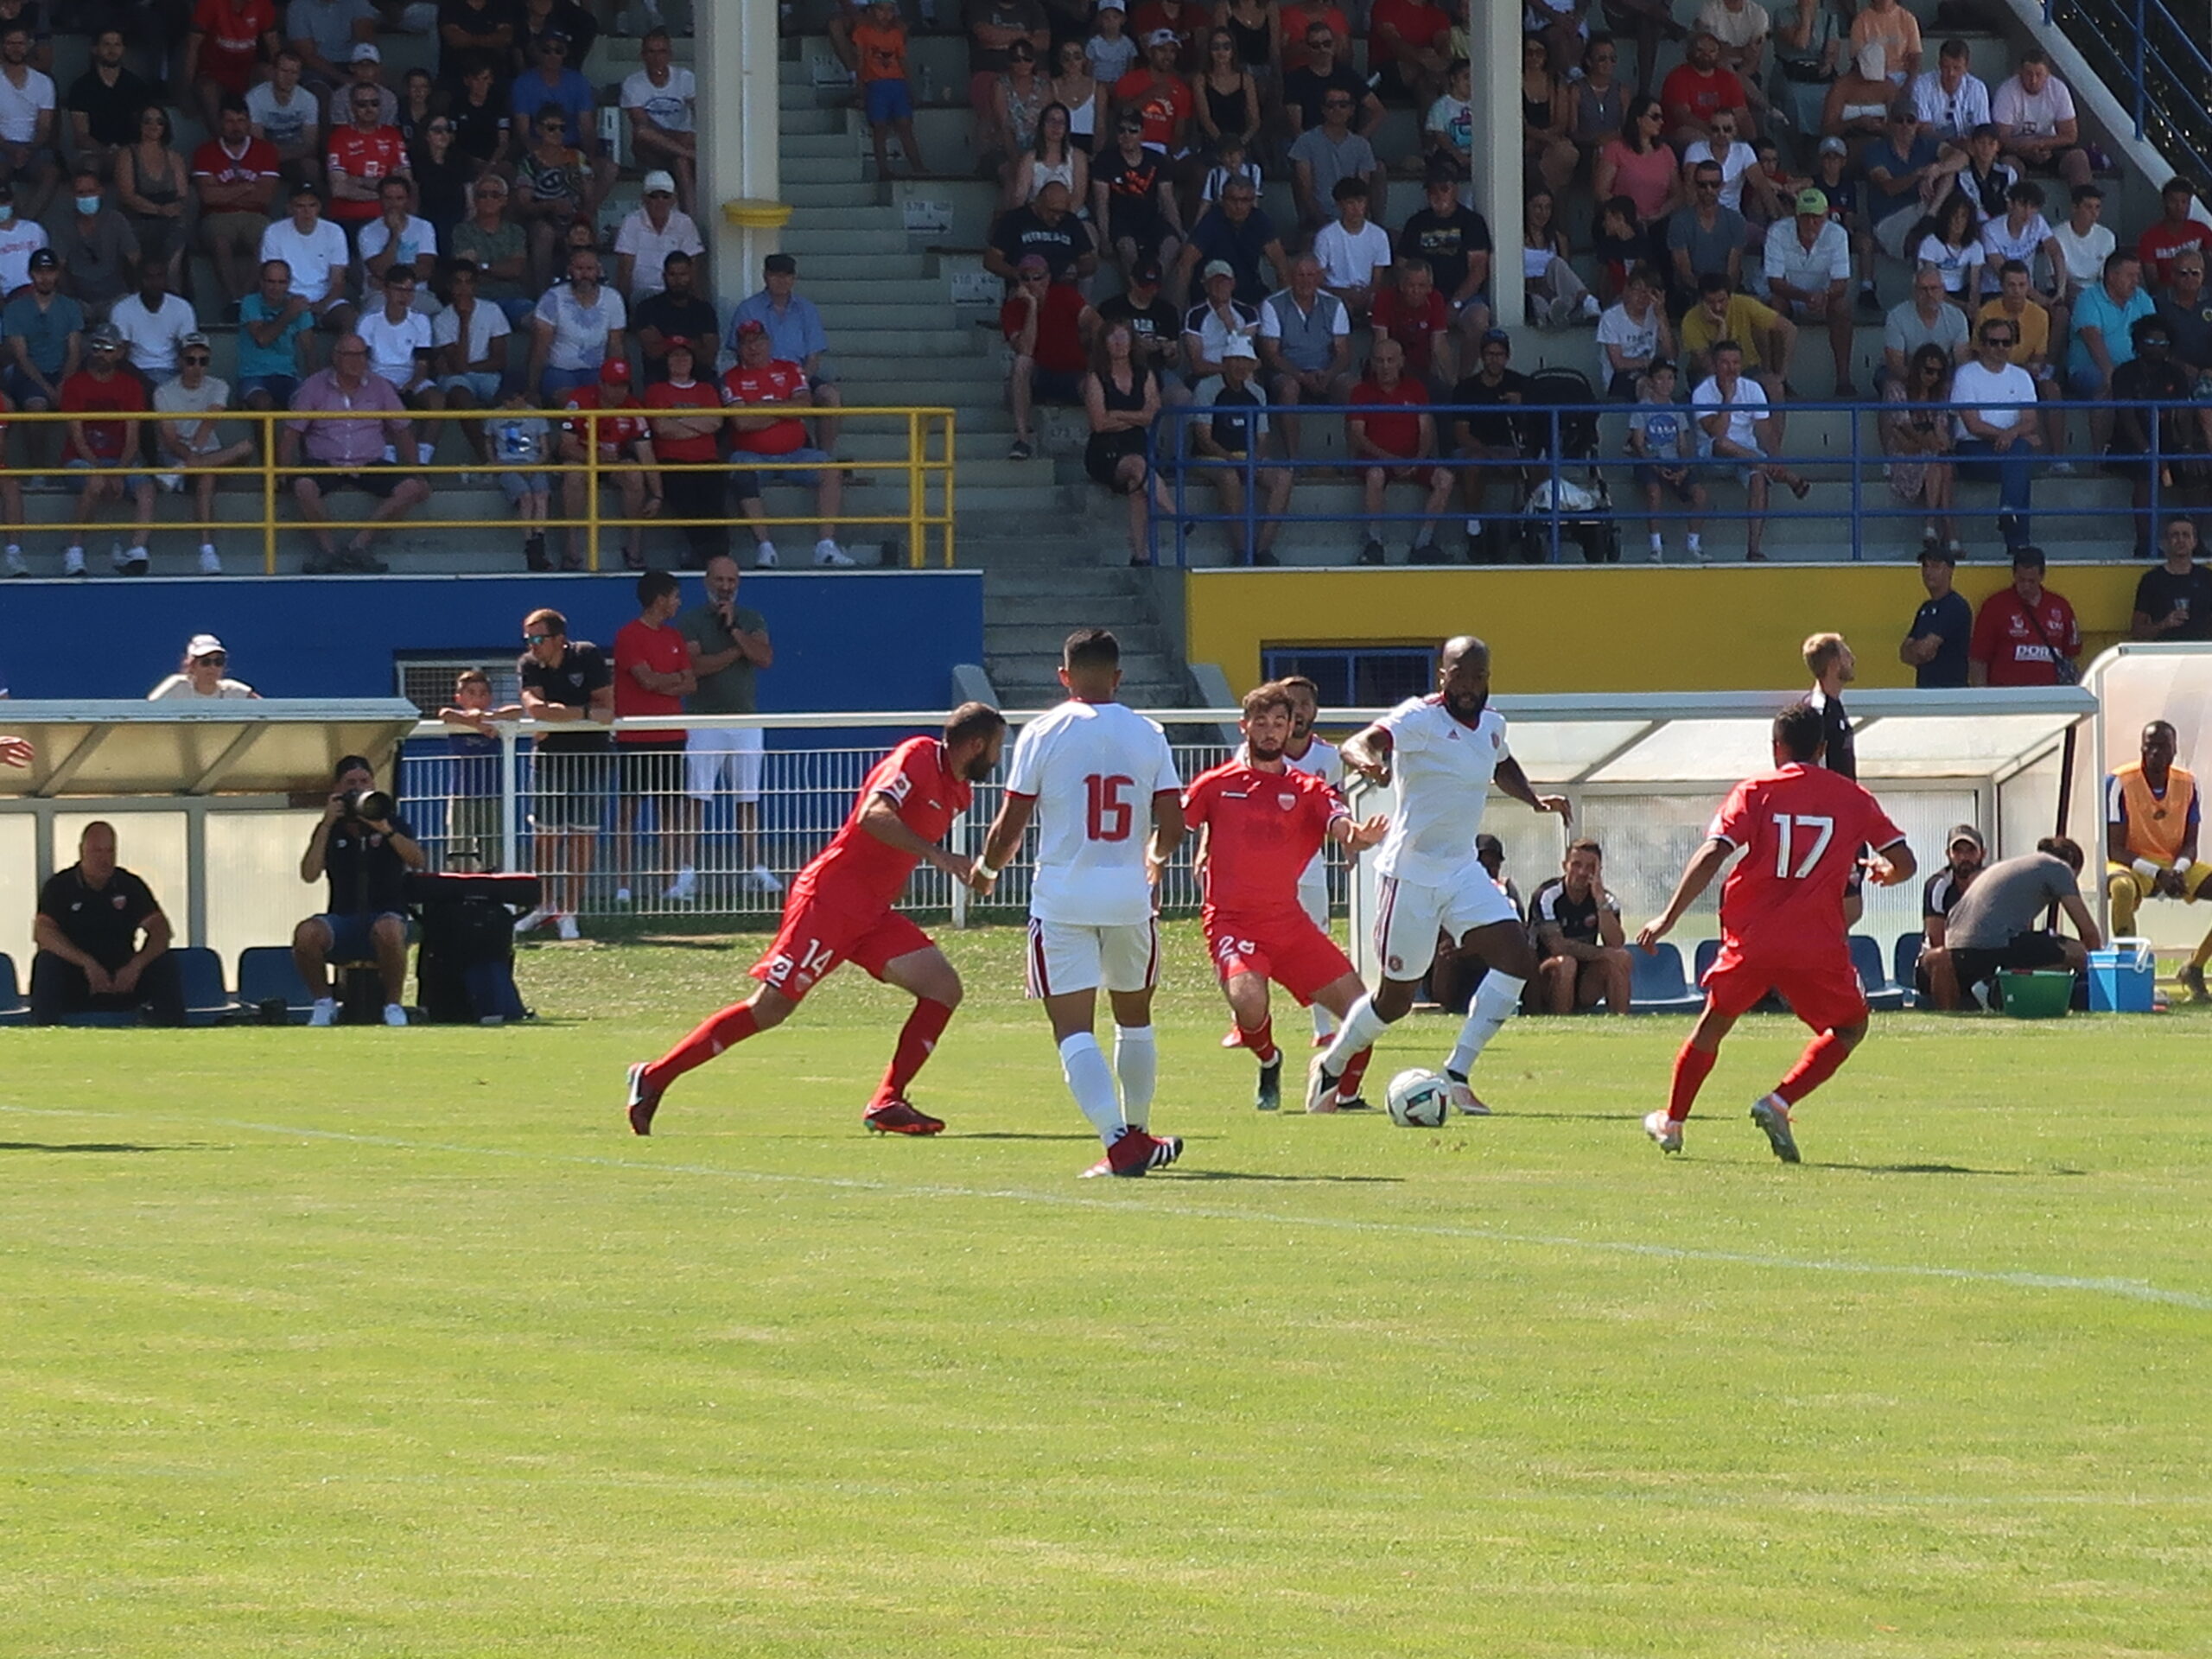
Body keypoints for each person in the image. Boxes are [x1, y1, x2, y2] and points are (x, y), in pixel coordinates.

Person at [626, 701, 1006, 1139]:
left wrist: (977, 871)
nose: (998, 758)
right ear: (976, 745)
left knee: (942, 988)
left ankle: (887, 1100)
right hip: (830, 902)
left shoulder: (961, 792)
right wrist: (938, 855)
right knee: (769, 1009)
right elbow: (873, 815)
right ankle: (654, 1077)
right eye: (997, 747)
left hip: (872, 914)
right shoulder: (917, 755)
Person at [1635, 700, 1916, 1160]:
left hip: (1754, 938)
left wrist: (1667, 917)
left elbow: (1713, 853)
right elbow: (1906, 862)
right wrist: (1886, 872)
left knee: (1714, 1025)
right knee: (1850, 1027)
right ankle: (1779, 1100)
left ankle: (1674, 1122)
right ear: (1823, 748)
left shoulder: (1755, 790)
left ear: (1776, 747)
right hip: (1816, 942)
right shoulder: (1853, 797)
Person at [1302, 636, 1567, 1115]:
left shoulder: (1491, 724)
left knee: (1517, 957)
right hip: (1411, 874)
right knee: (1395, 1000)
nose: (1468, 686)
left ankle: (1457, 1072)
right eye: (1459, 676)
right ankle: (1332, 1064)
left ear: (1488, 679)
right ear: (1441, 675)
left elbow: (1502, 762)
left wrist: (1534, 799)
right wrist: (1369, 761)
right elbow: (1361, 742)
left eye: (1477, 677)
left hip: (1462, 869)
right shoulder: (1419, 717)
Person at [973, 627, 1185, 1177]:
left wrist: (986, 869)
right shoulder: (1149, 733)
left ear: (1063, 676)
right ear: (1119, 677)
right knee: (1134, 1020)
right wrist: (1155, 857)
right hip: (1128, 897)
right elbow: (1174, 824)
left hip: (1063, 896)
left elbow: (1011, 821)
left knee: (1073, 1029)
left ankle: (1119, 1142)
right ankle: (1138, 1131)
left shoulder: (1043, 731)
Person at [1184, 681, 1387, 1111]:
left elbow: (1337, 821)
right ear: (1245, 728)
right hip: (1233, 921)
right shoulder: (1216, 784)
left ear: (1292, 726)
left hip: (1289, 925)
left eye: (1280, 722)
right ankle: (1269, 1058)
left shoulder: (1307, 788)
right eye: (1262, 722)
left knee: (1364, 1015)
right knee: (1248, 1001)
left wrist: (1356, 836)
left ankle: (1340, 1090)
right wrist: (1158, 853)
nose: (1271, 731)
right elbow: (1175, 820)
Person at [291, 753, 423, 1027]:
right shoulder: (332, 828)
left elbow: (418, 861)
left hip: (389, 917)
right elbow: (309, 873)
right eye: (351, 782)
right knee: (306, 933)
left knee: (388, 929)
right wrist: (326, 824)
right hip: (344, 918)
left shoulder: (392, 821)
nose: (359, 787)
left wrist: (384, 829)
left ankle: (393, 1006)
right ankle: (324, 1003)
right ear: (338, 788)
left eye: (365, 781)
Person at [283, 334, 432, 574]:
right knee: (302, 485)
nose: (357, 361)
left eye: (362, 355)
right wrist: (280, 470)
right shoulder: (313, 385)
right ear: (335, 357)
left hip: (369, 461)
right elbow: (291, 432)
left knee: (411, 488)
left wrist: (416, 471)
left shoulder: (381, 386)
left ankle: (358, 546)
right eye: (350, 355)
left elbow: (403, 431)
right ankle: (329, 551)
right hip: (324, 462)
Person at [675, 554, 778, 895]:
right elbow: (695, 666)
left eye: (731, 581)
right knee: (696, 796)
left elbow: (763, 657)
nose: (725, 588)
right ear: (707, 581)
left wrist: (734, 631)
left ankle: (755, 868)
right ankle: (687, 871)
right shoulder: (691, 621)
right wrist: (737, 652)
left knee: (748, 797)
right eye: (719, 581)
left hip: (746, 720)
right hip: (703, 719)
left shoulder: (750, 618)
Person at [511, 606, 609, 940]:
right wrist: (581, 713)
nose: (532, 645)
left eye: (539, 638)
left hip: (591, 759)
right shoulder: (528, 664)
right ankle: (543, 905)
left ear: (560, 639)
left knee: (583, 836)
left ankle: (570, 912)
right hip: (549, 761)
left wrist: (562, 715)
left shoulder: (588, 656)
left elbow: (607, 709)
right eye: (528, 638)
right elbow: (536, 709)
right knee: (546, 837)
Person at [30, 821, 185, 1025]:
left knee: (164, 962)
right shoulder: (60, 887)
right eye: (96, 851)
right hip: (77, 980)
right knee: (46, 963)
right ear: (82, 851)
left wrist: (136, 965)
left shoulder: (129, 885)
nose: (104, 858)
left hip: (123, 979)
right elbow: (43, 932)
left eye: (110, 851)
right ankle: (44, 1038)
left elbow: (161, 929)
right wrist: (86, 963)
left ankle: (173, 1038)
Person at [1922, 836, 2098, 1010]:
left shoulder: (2013, 868)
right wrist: (2100, 968)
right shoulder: (2059, 869)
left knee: (2049, 956)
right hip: (1991, 946)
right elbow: (2089, 933)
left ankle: (1996, 985)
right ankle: (1996, 988)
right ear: (2072, 864)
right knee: (2076, 953)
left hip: (1958, 954)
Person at [611, 569, 697, 906]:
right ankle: (623, 886)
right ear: (660, 599)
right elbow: (645, 680)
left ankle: (669, 883)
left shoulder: (675, 637)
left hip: (672, 734)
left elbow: (690, 683)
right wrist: (671, 680)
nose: (678, 603)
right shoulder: (629, 635)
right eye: (675, 596)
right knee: (628, 812)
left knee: (670, 812)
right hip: (635, 735)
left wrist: (668, 680)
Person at [1693, 338, 1808, 561]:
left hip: (1748, 455)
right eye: (1725, 363)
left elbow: (1766, 431)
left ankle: (1753, 549)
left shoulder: (1752, 389)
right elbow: (1716, 433)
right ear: (1715, 365)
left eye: (1735, 362)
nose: (1731, 368)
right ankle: (1788, 477)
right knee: (1723, 443)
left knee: (1758, 478)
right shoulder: (1702, 392)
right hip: (1712, 455)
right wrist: (1727, 399)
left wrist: (1777, 459)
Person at [1181, 332, 1292, 564]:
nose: (1241, 366)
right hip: (1210, 458)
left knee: (1282, 477)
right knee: (1229, 477)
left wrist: (1254, 460)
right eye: (1236, 360)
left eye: (1245, 361)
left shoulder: (1257, 393)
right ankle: (1242, 551)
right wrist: (1233, 460)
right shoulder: (1207, 388)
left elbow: (1263, 437)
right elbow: (1203, 438)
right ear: (1225, 362)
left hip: (1246, 456)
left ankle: (1262, 549)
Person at [1347, 335, 1451, 565]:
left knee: (1446, 478)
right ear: (1372, 363)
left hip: (1413, 458)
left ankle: (1424, 544)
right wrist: (1391, 459)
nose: (1385, 366)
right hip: (1375, 460)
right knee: (1375, 475)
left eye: (1391, 360)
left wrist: (1419, 460)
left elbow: (1427, 429)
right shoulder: (1360, 392)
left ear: (1401, 361)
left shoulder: (1416, 388)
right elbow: (1358, 436)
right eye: (1380, 360)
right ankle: (1374, 543)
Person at [59, 322, 152, 576]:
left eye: (108, 348)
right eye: (97, 346)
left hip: (120, 459)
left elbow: (133, 438)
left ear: (120, 352)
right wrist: (105, 472)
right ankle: (74, 551)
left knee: (145, 487)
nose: (102, 353)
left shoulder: (132, 386)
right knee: (95, 482)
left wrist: (119, 471)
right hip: (81, 460)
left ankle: (137, 551)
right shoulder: (74, 385)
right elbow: (77, 438)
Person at [154, 334, 251, 576]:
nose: (197, 367)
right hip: (177, 453)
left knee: (246, 448)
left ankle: (179, 475)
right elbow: (170, 440)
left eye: (203, 361)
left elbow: (209, 423)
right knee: (208, 474)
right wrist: (191, 457)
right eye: (190, 360)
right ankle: (207, 550)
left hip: (201, 453)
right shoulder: (163, 392)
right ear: (179, 362)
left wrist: (190, 461)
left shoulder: (219, 386)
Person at [728, 253, 839, 452]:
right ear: (765, 276)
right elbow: (741, 352)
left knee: (830, 396)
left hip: (800, 375)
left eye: (787, 276)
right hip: (758, 376)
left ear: (794, 278)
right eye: (775, 275)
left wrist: (798, 384)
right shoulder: (748, 308)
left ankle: (824, 457)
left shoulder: (808, 309)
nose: (782, 281)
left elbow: (814, 357)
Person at [556, 356, 657, 571]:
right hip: (583, 459)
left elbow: (646, 453)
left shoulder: (633, 407)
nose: (619, 391)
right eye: (613, 385)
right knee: (572, 473)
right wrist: (597, 457)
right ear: (601, 384)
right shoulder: (578, 400)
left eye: (623, 385)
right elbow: (566, 446)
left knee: (635, 473)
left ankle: (634, 548)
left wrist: (658, 494)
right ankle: (571, 549)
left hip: (615, 463)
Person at [1081, 316, 1167, 564]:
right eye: (1112, 337)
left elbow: (1154, 414)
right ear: (1104, 343)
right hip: (1105, 451)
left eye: (1123, 336)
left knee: (1137, 484)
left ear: (1132, 341)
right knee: (1138, 467)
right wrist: (1137, 418)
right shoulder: (1096, 378)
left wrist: (1118, 414)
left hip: (1136, 443)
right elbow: (1099, 424)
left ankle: (1139, 554)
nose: (1119, 342)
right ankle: (1176, 513)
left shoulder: (1145, 374)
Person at [640, 336, 725, 571]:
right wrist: (698, 422)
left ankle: (719, 559)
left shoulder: (707, 389)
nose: (680, 360)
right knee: (687, 501)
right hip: (673, 462)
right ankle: (702, 556)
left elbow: (716, 422)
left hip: (708, 461)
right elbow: (661, 428)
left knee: (715, 505)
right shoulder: (656, 391)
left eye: (685, 355)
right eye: (675, 355)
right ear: (666, 361)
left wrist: (678, 420)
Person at [1763, 187, 1856, 395]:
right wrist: (1807, 297)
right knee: (1775, 305)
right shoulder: (1777, 232)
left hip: (1824, 298)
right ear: (1797, 215)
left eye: (1816, 217)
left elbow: (1841, 282)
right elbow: (1774, 282)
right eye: (1806, 217)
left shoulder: (1837, 234)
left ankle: (1843, 379)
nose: (1811, 222)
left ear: (1825, 216)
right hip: (1790, 296)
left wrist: (1823, 296)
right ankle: (1779, 380)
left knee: (1842, 307)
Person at [194, 99, 283, 309]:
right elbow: (208, 197)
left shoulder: (266, 151)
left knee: (266, 241)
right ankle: (233, 298)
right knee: (220, 241)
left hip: (256, 216)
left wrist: (223, 192)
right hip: (216, 217)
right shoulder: (205, 152)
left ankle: (246, 299)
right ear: (220, 123)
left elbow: (265, 197)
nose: (236, 126)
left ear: (250, 122)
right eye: (230, 121)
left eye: (241, 120)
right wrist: (246, 188)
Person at [1529, 839, 1632, 1015]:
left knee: (1621, 958)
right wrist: (1602, 953)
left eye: (1591, 866)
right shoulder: (1547, 895)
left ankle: (1622, 1024)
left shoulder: (1606, 899)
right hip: (1545, 977)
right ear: (1565, 866)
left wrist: (1600, 900)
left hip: (1585, 979)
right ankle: (1561, 1024)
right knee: (1566, 963)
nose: (1583, 872)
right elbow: (1557, 946)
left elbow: (1615, 943)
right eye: (1576, 865)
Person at [1001, 254, 1086, 463]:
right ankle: (1022, 439)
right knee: (1021, 363)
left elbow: (1095, 322)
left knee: (1094, 381)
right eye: (1025, 278)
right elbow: (1026, 349)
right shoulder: (1011, 309)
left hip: (1073, 372)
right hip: (1040, 375)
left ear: (1048, 278)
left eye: (1037, 278)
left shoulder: (1066, 296)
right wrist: (1031, 306)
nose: (1031, 283)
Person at [2, 246, 79, 470]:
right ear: (30, 274)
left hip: (61, 371)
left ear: (57, 274)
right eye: (39, 272)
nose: (45, 277)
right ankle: (38, 470)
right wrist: (47, 388)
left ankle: (79, 465)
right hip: (28, 374)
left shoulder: (70, 307)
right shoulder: (15, 309)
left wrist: (64, 383)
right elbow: (21, 356)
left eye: (50, 271)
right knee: (36, 407)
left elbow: (74, 352)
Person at [1626, 358, 1707, 563]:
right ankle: (1656, 548)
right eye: (1660, 378)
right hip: (1649, 461)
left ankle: (1693, 545)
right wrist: (1655, 466)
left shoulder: (1677, 411)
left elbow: (1683, 446)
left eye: (1670, 378)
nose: (1666, 383)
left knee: (1700, 495)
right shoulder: (1641, 408)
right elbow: (1638, 445)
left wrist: (1685, 469)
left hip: (1674, 462)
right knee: (1654, 492)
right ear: (1651, 381)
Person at [1092, 110, 1184, 285]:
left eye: (1133, 130)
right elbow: (1101, 203)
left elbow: (1168, 200)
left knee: (1172, 244)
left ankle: (1154, 285)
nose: (1127, 135)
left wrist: (1178, 233)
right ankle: (1137, 291)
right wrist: (1104, 238)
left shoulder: (1157, 160)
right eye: (1122, 130)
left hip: (1150, 218)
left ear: (1142, 134)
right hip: (1120, 220)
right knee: (1127, 248)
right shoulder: (1104, 160)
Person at [1968, 544, 2077, 686]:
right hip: (2007, 696)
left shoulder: (2060, 606)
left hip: (2051, 697)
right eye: (2021, 580)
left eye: (2031, 581)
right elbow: (1978, 659)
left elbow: (2071, 653)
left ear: (2042, 576)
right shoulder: (1995, 606)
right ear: (2014, 575)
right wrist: (1982, 698)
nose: (2026, 587)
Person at [529, 245, 625, 402]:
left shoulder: (612, 298)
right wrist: (532, 389)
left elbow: (616, 345)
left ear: (599, 270)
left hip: (596, 371)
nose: (585, 274)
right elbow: (540, 346)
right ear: (570, 270)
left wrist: (619, 380)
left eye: (590, 268)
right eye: (579, 268)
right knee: (571, 402)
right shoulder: (552, 298)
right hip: (559, 371)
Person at [1171, 176, 1283, 309]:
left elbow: (1281, 265)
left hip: (1249, 295)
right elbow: (1186, 263)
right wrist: (1177, 313)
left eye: (1245, 200)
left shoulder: (1260, 221)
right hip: (1212, 297)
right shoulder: (1211, 221)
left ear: (1253, 201)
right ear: (1223, 200)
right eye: (1233, 200)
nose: (1238, 206)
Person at [65, 28, 159, 184]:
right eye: (106, 44)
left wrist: (124, 153)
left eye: (117, 44)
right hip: (94, 152)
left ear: (123, 49)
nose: (112, 50)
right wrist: (106, 151)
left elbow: (144, 129)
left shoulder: (137, 86)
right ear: (95, 49)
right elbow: (81, 136)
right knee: (90, 165)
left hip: (130, 152)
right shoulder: (81, 87)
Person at [259, 182, 355, 334]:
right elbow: (272, 276)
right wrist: (293, 302)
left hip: (325, 299)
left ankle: (344, 356)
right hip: (287, 298)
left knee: (348, 317)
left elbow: (338, 281)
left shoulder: (334, 232)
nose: (306, 211)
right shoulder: (275, 232)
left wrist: (322, 305)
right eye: (300, 206)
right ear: (290, 208)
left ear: (319, 207)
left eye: (312, 205)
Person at [1991, 50, 2090, 191]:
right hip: (2017, 150)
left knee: (2078, 158)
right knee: (2008, 165)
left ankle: (2084, 205)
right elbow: (2002, 137)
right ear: (2020, 72)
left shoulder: (2059, 89)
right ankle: (2017, 209)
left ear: (2048, 74)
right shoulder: (2007, 91)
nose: (2033, 80)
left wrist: (2041, 145)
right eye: (2028, 74)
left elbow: (2070, 135)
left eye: (2039, 74)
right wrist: (2027, 149)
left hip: (2050, 148)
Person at [621, 27, 696, 209]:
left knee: (681, 162)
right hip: (652, 150)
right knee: (642, 133)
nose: (657, 57)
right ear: (643, 55)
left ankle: (690, 222)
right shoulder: (633, 83)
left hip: (681, 144)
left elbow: (702, 113)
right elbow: (642, 127)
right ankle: (691, 155)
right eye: (651, 52)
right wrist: (681, 139)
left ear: (670, 54)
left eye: (662, 51)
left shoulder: (685, 78)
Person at [613, 170, 702, 307]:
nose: (660, 201)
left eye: (665, 196)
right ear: (644, 199)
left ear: (674, 199)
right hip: (641, 296)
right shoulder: (631, 221)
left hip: (675, 295)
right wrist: (622, 307)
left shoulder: (685, 223)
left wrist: (697, 304)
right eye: (654, 196)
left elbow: (692, 268)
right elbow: (625, 269)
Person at [237, 259, 315, 413]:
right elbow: (262, 339)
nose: (276, 288)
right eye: (271, 282)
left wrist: (316, 386)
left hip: (288, 376)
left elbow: (309, 349)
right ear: (261, 282)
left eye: (281, 282)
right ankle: (263, 439)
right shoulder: (250, 302)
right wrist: (289, 313)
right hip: (253, 376)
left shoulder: (297, 305)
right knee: (263, 403)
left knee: (306, 402)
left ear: (289, 283)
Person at [634, 250, 719, 388]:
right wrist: (693, 344)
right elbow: (653, 352)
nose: (678, 280)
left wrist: (668, 341)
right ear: (664, 276)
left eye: (683, 274)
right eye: (672, 275)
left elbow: (709, 357)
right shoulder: (647, 308)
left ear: (691, 275)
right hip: (660, 379)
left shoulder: (704, 310)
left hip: (700, 379)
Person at [1310, 175, 1389, 317]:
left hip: (1367, 295)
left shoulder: (1379, 235)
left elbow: (1378, 279)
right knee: (1341, 307)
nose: (1356, 208)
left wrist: (1365, 294)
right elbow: (1319, 280)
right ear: (1340, 205)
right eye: (1350, 203)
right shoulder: (1325, 236)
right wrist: (1345, 294)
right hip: (1336, 295)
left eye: (1360, 202)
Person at [248, 48, 322, 191]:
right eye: (284, 71)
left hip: (292, 158)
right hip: (265, 160)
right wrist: (289, 152)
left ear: (299, 75)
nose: (288, 77)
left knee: (311, 166)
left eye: (293, 72)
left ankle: (310, 204)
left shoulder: (309, 100)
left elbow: (311, 147)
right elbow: (258, 147)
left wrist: (280, 153)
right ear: (273, 71)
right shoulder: (254, 98)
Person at [1900, 543, 1972, 687]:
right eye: (1925, 566)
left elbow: (1924, 650)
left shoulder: (1954, 606)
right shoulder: (1925, 608)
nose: (1928, 572)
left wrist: (1917, 649)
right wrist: (1917, 651)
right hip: (1926, 689)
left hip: (1950, 691)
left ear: (1950, 570)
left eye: (1935, 566)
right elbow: (1904, 654)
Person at [2132, 516, 2212, 643]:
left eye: (2186, 535)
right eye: (2175, 535)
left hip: (2201, 654)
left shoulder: (2207, 578)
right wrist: (2164, 624)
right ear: (2165, 542)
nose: (2180, 540)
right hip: (2165, 654)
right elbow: (2137, 632)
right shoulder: (2151, 580)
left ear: (2195, 542)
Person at [1920, 822, 1985, 964]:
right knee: (1941, 957)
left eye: (1970, 851)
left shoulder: (1995, 882)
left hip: (1982, 954)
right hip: (1940, 960)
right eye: (1958, 851)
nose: (1964, 857)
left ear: (1983, 854)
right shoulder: (1938, 885)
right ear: (1948, 854)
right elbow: (1937, 940)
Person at [149, 632, 257, 698]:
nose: (212, 667)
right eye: (205, 662)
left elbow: (268, 714)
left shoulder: (233, 690)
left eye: (218, 662)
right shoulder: (178, 686)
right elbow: (148, 713)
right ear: (192, 665)